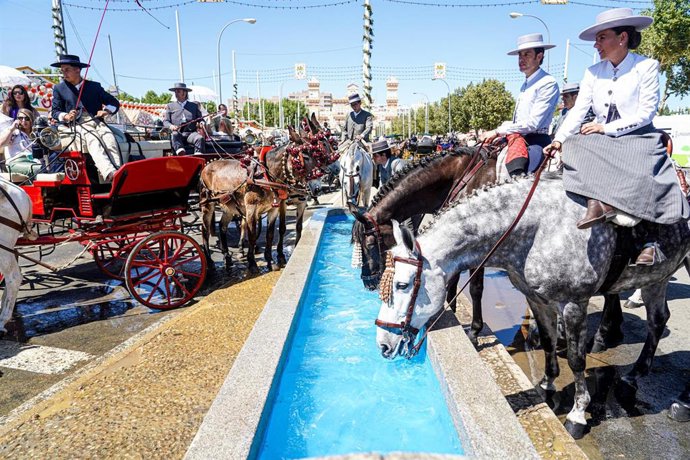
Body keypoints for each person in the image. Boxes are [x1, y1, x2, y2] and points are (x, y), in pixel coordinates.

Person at [544, 8, 689, 266]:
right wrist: (559, 139)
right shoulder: (592, 71)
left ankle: (653, 239)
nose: (596, 44)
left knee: (649, 172)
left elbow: (646, 113)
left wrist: (605, 129)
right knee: (575, 145)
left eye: (602, 37)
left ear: (622, 37)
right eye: (597, 39)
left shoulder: (646, 67)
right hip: (602, 140)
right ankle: (597, 203)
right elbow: (579, 110)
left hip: (638, 137)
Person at [481, 33, 559, 177]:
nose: (521, 59)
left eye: (527, 54)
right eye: (520, 55)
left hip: (535, 140)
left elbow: (533, 123)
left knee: (521, 181)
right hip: (517, 138)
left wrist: (498, 131)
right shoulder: (526, 83)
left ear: (539, 56)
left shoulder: (547, 83)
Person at [50, 54, 121, 182]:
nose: (63, 73)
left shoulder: (94, 86)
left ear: (77, 69)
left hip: (96, 121)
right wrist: (66, 116)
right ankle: (110, 173)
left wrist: (105, 111)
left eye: (67, 70)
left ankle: (119, 171)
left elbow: (114, 103)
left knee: (109, 138)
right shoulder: (59, 88)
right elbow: (54, 111)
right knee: (92, 139)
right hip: (76, 125)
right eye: (62, 70)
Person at [163, 82, 206, 155]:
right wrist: (171, 126)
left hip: (191, 134)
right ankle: (181, 153)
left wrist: (202, 123)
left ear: (185, 93)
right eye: (175, 92)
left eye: (178, 91)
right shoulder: (170, 106)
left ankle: (198, 157)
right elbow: (166, 121)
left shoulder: (194, 106)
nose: (176, 94)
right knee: (174, 135)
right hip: (178, 133)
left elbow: (201, 119)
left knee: (200, 138)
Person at [0, 109, 41, 174]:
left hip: (33, 162)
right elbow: (1, 144)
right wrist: (11, 129)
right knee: (39, 169)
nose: (23, 121)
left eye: (27, 118)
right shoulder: (14, 132)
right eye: (21, 118)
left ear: (31, 120)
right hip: (15, 162)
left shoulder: (35, 136)